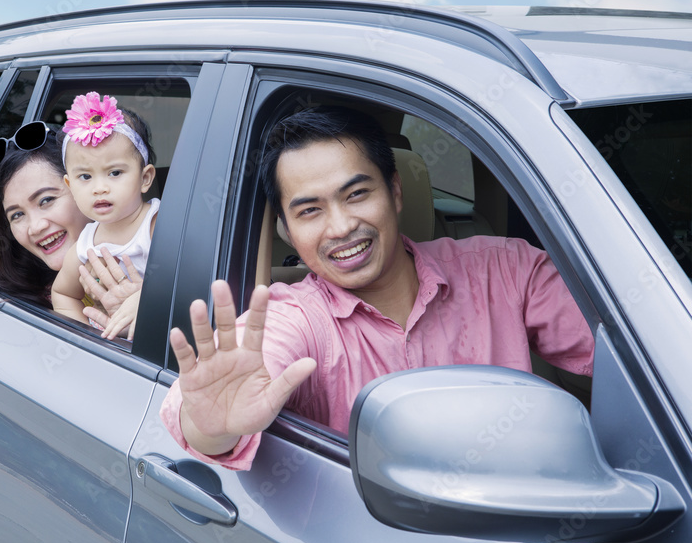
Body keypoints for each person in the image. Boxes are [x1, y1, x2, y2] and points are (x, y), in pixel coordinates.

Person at [161, 107, 595, 471]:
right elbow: (217, 404)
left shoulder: (504, 268)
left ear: (395, 191)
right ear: (288, 231)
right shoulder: (294, 317)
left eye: (356, 194)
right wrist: (213, 426)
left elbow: (632, 356)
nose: (342, 226)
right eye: (310, 210)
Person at [0, 121, 141, 318]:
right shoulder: (22, 313)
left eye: (46, 200)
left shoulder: (157, 241)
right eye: (17, 215)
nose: (35, 227)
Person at [51, 92, 159, 339]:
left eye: (115, 173)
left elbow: (188, 278)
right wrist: (87, 336)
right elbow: (63, 294)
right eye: (85, 177)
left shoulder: (155, 224)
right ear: (70, 186)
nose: (100, 187)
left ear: (145, 178)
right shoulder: (85, 246)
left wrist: (145, 297)